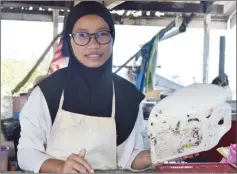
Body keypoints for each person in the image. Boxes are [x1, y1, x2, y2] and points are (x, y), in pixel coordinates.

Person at [17, 1, 197, 173]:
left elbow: (128, 158)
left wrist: (155, 156)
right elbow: (26, 153)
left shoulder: (127, 96)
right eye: (82, 35)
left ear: (112, 38)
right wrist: (60, 168)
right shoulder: (48, 91)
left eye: (102, 34)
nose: (94, 44)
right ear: (69, 41)